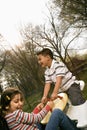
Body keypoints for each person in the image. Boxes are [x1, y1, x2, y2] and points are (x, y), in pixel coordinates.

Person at [0, 87, 80, 130]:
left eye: (21, 100)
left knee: (37, 122)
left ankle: (71, 124)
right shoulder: (16, 114)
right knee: (57, 113)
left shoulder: (8, 116)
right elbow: (37, 118)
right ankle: (72, 126)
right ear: (7, 106)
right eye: (16, 101)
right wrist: (48, 106)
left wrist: (37, 110)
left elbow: (28, 119)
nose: (20, 103)